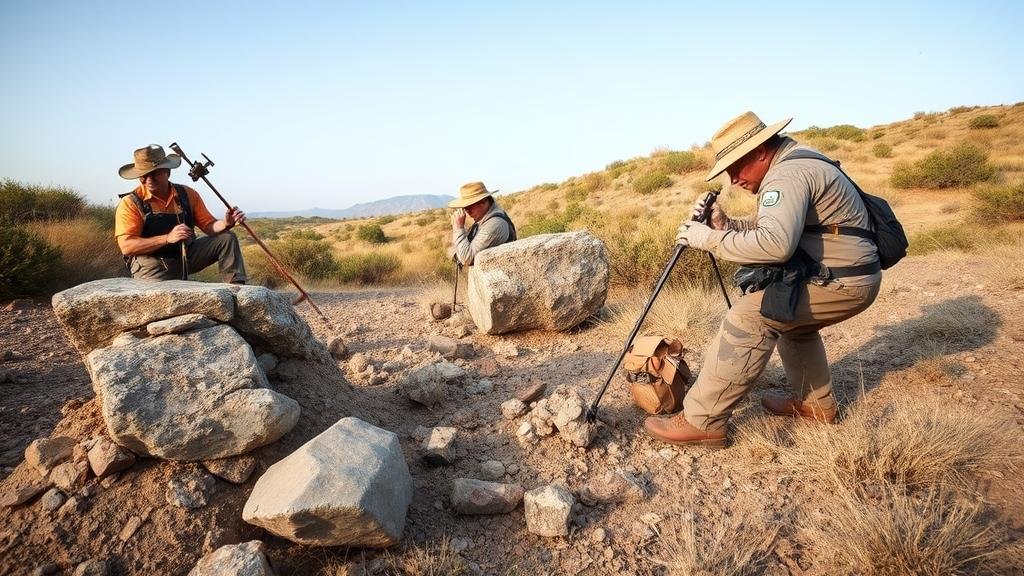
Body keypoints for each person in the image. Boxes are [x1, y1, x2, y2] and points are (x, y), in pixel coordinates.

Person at [644, 111, 882, 447]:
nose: (733, 179)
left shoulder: (786, 176)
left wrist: (705, 238)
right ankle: (817, 406)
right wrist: (726, 226)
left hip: (842, 281)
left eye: (736, 166)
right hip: (851, 276)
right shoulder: (796, 162)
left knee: (751, 314)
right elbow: (779, 228)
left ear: (760, 152)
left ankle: (702, 421)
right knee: (789, 318)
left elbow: (776, 245)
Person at [114, 144, 248, 283]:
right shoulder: (130, 203)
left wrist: (226, 223)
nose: (148, 179)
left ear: (167, 171)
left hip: (186, 257)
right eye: (143, 175)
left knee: (227, 238)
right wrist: (167, 238)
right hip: (151, 266)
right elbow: (127, 246)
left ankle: (236, 290)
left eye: (154, 173)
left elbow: (209, 226)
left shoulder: (188, 194)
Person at [448, 181, 516, 266]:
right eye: (464, 207)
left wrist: (458, 228)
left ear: (483, 201)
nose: (467, 211)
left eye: (469, 206)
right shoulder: (484, 218)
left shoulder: (495, 224)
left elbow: (466, 258)